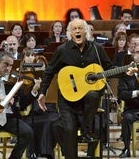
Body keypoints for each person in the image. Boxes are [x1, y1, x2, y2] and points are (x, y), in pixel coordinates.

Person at [37, 19, 115, 159]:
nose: (78, 31)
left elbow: (109, 68)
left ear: (86, 31)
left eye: (80, 28)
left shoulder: (97, 49)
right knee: (69, 129)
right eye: (74, 29)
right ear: (70, 33)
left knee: (92, 94)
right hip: (67, 101)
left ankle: (86, 129)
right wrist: (43, 92)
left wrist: (127, 71)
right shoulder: (62, 50)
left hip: (88, 104)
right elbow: (48, 72)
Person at [0, 50, 41, 159]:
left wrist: (33, 92)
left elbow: (22, 104)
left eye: (11, 65)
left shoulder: (13, 81)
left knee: (28, 132)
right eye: (6, 64)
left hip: (9, 118)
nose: (9, 68)